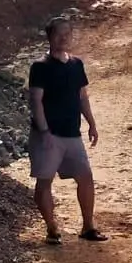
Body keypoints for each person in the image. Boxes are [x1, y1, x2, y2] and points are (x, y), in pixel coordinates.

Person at [27, 18, 106, 245]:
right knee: (44, 183)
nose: (63, 38)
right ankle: (52, 229)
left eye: (66, 34)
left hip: (73, 134)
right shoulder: (40, 67)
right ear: (49, 37)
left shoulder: (76, 64)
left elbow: (82, 96)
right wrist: (44, 132)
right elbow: (36, 101)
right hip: (49, 135)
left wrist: (91, 123)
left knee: (86, 178)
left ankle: (88, 227)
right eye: (58, 34)